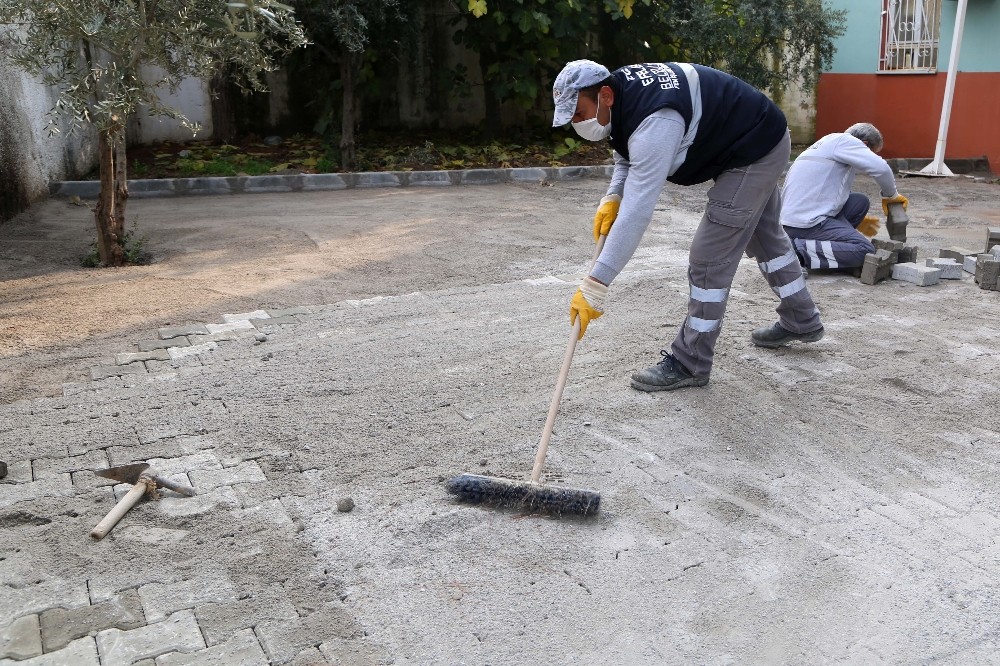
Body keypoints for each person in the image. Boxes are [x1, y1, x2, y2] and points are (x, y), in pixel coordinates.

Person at [552, 59, 825, 391]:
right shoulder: (622, 93)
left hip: (754, 149)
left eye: (579, 113)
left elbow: (638, 211)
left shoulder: (656, 120)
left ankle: (691, 361)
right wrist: (613, 196)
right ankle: (802, 320)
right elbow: (626, 151)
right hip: (752, 134)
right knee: (765, 235)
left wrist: (597, 284)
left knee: (709, 259)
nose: (578, 123)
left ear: (604, 96)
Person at [780, 123, 909, 271]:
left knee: (860, 201)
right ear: (864, 144)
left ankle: (832, 250)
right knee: (864, 249)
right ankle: (797, 250)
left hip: (793, 219)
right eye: (871, 152)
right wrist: (892, 197)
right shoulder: (847, 141)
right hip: (806, 223)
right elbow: (881, 169)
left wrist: (846, 225)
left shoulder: (826, 143)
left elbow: (828, 191)